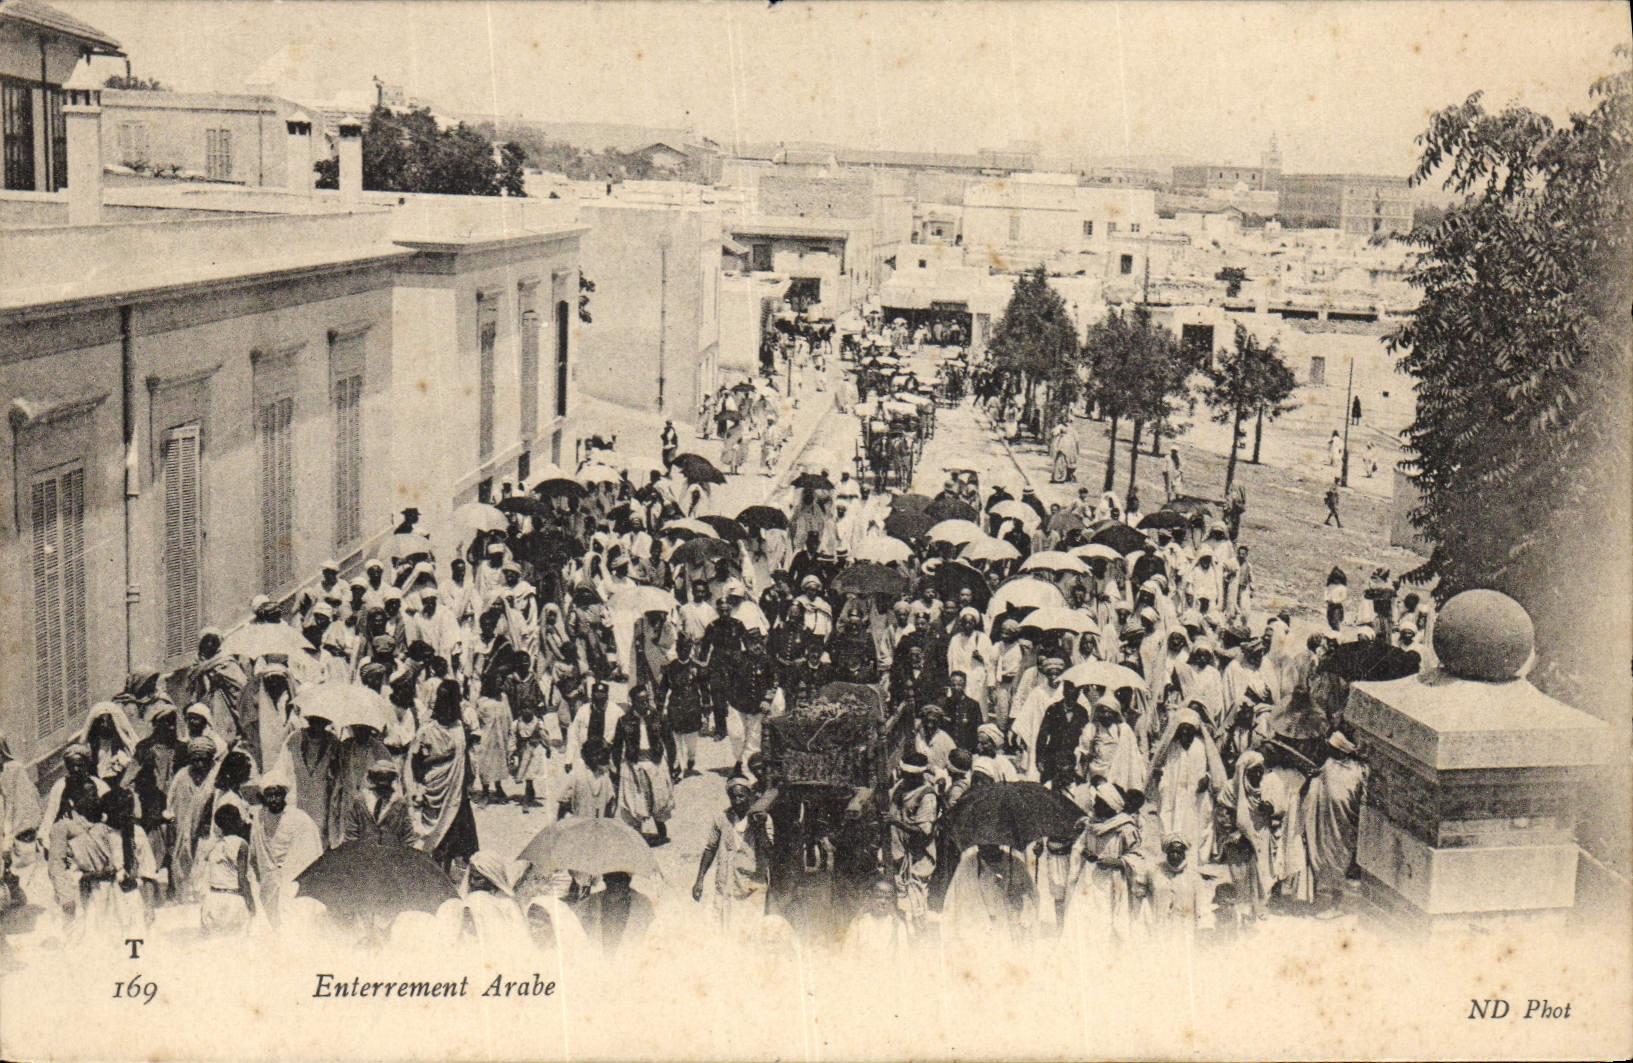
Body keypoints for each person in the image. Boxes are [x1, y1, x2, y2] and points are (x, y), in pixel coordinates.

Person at [407, 679, 479, 872]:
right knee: (431, 836)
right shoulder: (427, 730)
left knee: (452, 836)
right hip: (434, 788)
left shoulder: (458, 729)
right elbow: (415, 761)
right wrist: (420, 786)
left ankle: (444, 874)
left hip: (455, 791)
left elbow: (464, 759)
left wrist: (466, 785)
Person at [692, 776, 773, 937]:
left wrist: (760, 828)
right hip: (727, 884)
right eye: (733, 797)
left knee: (750, 934)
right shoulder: (721, 819)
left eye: (741, 796)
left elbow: (768, 850)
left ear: (750, 795)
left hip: (752, 886)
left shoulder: (762, 818)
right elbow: (710, 849)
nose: (737, 801)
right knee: (724, 931)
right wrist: (699, 879)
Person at [1303, 731, 1367, 917]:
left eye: (1333, 748)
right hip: (1327, 825)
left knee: (1340, 861)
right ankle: (1327, 899)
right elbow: (1317, 780)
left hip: (1345, 826)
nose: (1329, 751)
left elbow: (1361, 799)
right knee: (1325, 859)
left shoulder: (1358, 771)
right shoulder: (1329, 765)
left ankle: (1337, 905)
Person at [248, 767, 322, 929]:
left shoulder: (299, 819)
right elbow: (255, 850)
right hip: (268, 880)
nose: (273, 799)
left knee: (292, 922)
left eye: (277, 794)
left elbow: (311, 851)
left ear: (284, 795)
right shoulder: (259, 818)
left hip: (292, 878)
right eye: (269, 795)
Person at [885, 752, 939, 935]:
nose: (905, 776)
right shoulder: (902, 786)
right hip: (899, 853)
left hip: (917, 858)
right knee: (899, 901)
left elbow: (925, 832)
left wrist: (896, 822)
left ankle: (919, 940)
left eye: (909, 774)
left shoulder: (927, 797)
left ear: (919, 775)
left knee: (915, 904)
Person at [198, 803, 255, 937]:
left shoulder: (213, 845)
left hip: (212, 899)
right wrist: (251, 902)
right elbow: (242, 878)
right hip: (233, 900)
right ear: (237, 821)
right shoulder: (241, 844)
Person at [342, 760, 415, 847]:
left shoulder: (400, 804)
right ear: (373, 778)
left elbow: (408, 837)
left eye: (387, 777)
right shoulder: (360, 802)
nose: (383, 783)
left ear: (392, 779)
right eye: (380, 777)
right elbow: (351, 835)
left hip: (391, 855)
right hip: (364, 854)